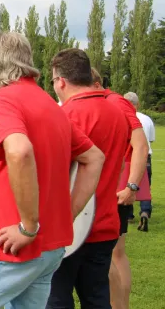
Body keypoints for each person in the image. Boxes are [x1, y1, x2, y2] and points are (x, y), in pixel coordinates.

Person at [0, 32, 105, 308]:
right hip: (48, 247)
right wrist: (68, 213)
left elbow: (19, 150)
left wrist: (28, 227)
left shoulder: (2, 99)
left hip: (9, 247)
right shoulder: (50, 105)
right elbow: (94, 157)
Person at [48, 49, 130, 308]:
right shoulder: (117, 112)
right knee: (97, 298)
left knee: (57, 299)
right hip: (105, 222)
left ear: (61, 81)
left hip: (68, 226)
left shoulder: (65, 115)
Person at [93, 69, 150, 309]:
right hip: (111, 183)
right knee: (114, 253)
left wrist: (131, 186)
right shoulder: (107, 102)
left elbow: (141, 145)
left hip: (117, 185)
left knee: (109, 254)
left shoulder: (115, 102)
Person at [123, 91, 155, 231]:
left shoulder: (122, 116)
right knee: (145, 186)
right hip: (146, 156)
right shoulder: (146, 119)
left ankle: (128, 214)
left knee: (128, 184)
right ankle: (145, 211)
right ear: (138, 103)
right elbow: (152, 139)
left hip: (129, 157)